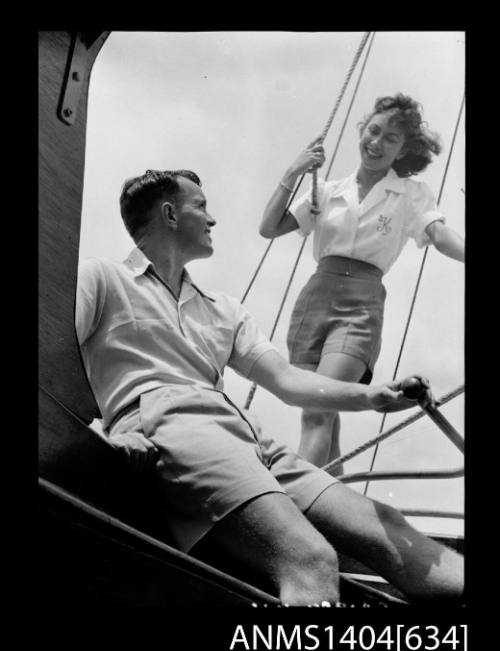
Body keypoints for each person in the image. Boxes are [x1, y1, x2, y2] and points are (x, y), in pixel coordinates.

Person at [76, 168, 463, 605]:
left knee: (392, 530)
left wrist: (372, 396)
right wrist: (99, 435)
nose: (212, 219)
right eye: (201, 206)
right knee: (310, 558)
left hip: (248, 436)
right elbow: (54, 351)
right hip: (172, 425)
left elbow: (287, 380)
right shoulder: (102, 278)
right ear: (168, 214)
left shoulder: (223, 309)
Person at [259, 93, 465, 471]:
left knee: (318, 408)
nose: (377, 143)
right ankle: (332, 501)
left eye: (391, 139)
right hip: (313, 301)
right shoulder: (328, 189)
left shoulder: (411, 193)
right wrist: (294, 172)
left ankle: (296, 501)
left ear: (403, 151)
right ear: (363, 129)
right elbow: (268, 228)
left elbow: (439, 235)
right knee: (322, 412)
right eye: (374, 130)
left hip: (361, 306)